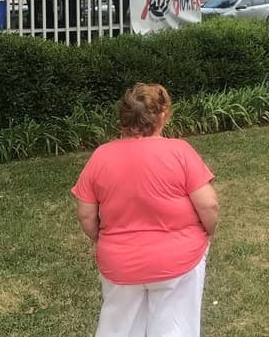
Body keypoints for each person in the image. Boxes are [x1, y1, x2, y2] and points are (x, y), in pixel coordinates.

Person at [71, 83, 219, 336]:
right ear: (163, 116)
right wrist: (208, 232)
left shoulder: (100, 156)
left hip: (119, 262)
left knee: (118, 328)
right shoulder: (180, 151)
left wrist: (106, 239)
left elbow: (86, 214)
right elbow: (209, 204)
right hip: (179, 258)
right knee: (175, 327)